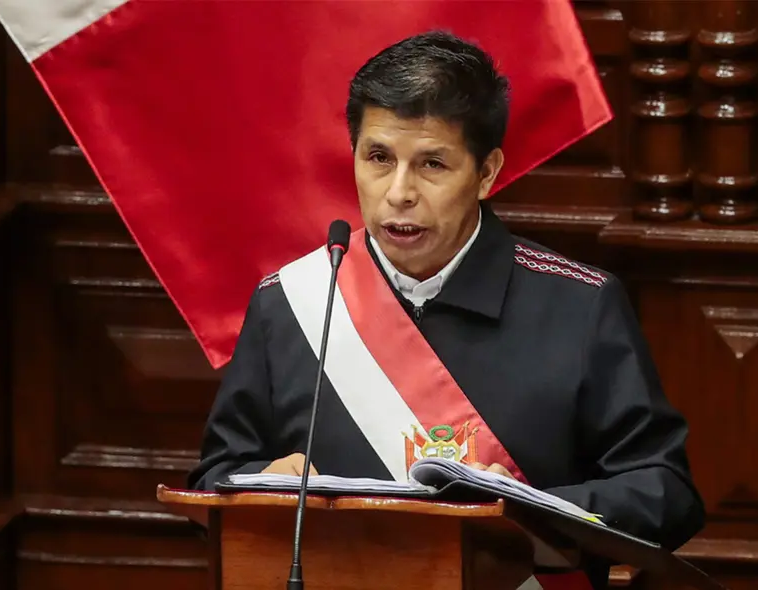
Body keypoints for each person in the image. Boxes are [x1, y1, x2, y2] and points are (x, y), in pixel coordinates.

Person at [187, 30, 704, 589]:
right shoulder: (292, 304)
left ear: (487, 172)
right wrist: (259, 485)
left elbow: (666, 491)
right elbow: (215, 479)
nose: (398, 193)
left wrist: (526, 512)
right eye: (378, 158)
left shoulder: (579, 304)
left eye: (432, 164)